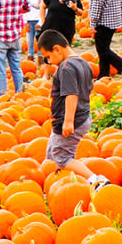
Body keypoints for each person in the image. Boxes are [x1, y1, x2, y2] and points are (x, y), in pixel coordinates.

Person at [39, 30, 92, 175]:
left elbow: (71, 94)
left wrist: (68, 121)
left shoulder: (65, 68)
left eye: (48, 57)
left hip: (71, 120)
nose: (49, 62)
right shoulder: (83, 63)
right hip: (82, 116)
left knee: (62, 158)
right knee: (52, 154)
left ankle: (96, 181)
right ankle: (57, 181)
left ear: (57, 49)